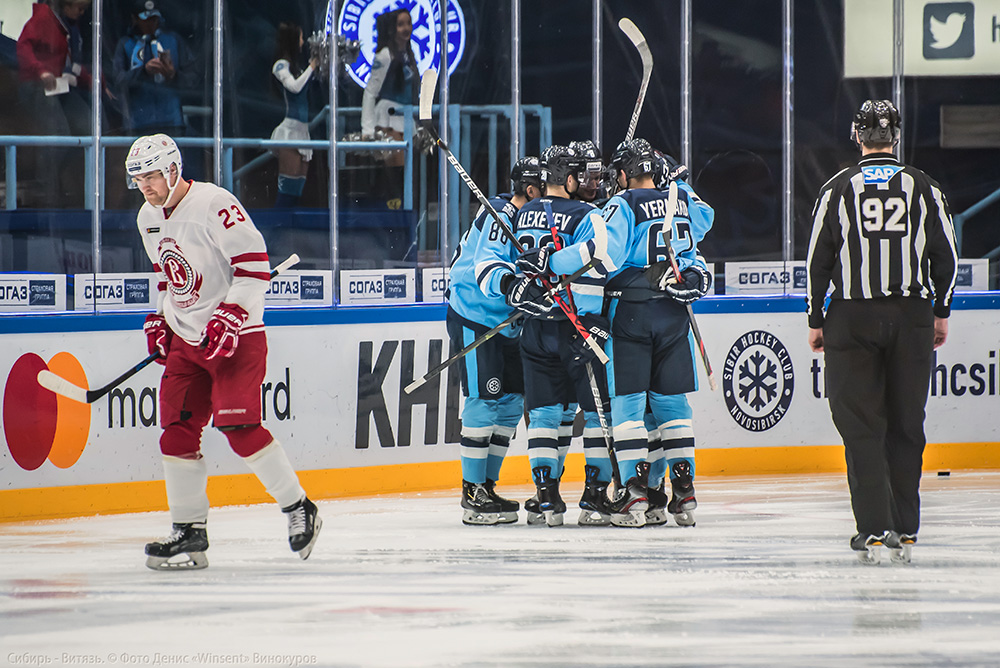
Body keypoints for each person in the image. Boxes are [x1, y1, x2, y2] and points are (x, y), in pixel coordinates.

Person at [126, 134, 322, 570]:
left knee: (239, 428)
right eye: (139, 179)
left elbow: (253, 268)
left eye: (152, 176)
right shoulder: (147, 217)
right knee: (176, 431)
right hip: (187, 339)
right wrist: (159, 317)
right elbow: (167, 276)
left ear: (173, 169)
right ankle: (189, 530)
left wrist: (231, 314)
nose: (146, 186)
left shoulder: (215, 204)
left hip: (238, 336)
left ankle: (298, 508)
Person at [805, 99, 958, 564]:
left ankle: (872, 528)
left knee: (861, 425)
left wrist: (815, 319)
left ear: (857, 136)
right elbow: (946, 256)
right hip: (911, 316)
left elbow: (818, 261)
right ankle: (905, 529)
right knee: (907, 422)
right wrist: (941, 310)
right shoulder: (923, 187)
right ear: (895, 136)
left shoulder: (836, 189)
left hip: (851, 318)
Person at [485, 145, 618, 527]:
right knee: (596, 413)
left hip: (534, 328)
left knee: (543, 414)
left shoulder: (524, 213)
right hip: (579, 328)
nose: (591, 183)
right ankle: (593, 498)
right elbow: (603, 255)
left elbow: (515, 265)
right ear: (571, 179)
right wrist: (560, 260)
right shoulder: (588, 213)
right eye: (584, 176)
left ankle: (546, 499)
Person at [602, 138, 714, 528]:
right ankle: (684, 491)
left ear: (622, 174)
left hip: (631, 312)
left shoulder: (621, 203)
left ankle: (634, 492)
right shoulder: (678, 198)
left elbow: (609, 256)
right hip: (673, 314)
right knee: (672, 405)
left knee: (629, 405)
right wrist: (681, 183)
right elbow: (705, 220)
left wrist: (601, 216)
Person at [446, 157, 541, 525]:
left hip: (510, 322)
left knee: (512, 402)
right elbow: (488, 266)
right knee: (484, 400)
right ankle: (472, 493)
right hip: (475, 316)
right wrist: (512, 286)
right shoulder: (500, 214)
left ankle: (487, 484)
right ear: (530, 190)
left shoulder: (530, 219)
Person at [16, 0, 95, 205]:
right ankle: (45, 186)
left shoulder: (70, 27)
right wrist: (40, 71)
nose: (81, 13)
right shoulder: (44, 17)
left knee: (88, 127)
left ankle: (64, 179)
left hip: (61, 87)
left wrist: (97, 84)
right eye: (78, 8)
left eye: (84, 9)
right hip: (36, 85)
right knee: (58, 134)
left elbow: (73, 63)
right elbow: (23, 45)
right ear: (65, 4)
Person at [111, 0, 195, 136]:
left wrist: (173, 75)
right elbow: (118, 81)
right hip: (137, 123)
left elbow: (193, 79)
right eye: (146, 20)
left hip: (171, 121)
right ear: (135, 19)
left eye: (154, 18)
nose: (151, 24)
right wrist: (143, 71)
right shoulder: (126, 44)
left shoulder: (174, 41)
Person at [360, 7, 417, 175]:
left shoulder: (408, 54)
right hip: (388, 118)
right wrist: (367, 131)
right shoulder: (385, 55)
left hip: (405, 117)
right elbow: (370, 92)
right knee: (397, 175)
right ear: (392, 29)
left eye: (408, 23)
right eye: (401, 25)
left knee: (406, 176)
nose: (406, 28)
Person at [270, 22, 319, 208]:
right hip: (289, 132)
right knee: (287, 189)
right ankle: (276, 232)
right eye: (299, 37)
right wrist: (312, 66)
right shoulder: (281, 65)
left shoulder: (296, 66)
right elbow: (294, 87)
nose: (302, 41)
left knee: (297, 189)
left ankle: (289, 234)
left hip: (302, 131)